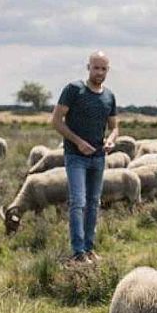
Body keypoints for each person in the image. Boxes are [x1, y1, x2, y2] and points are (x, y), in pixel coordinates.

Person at [51, 51, 119, 264]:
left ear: (108, 70)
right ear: (88, 67)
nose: (99, 72)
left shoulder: (109, 96)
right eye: (95, 67)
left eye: (103, 68)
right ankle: (78, 252)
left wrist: (111, 140)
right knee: (78, 201)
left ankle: (89, 248)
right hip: (75, 156)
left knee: (93, 203)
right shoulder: (74, 90)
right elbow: (56, 121)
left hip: (98, 157)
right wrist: (78, 142)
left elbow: (114, 126)